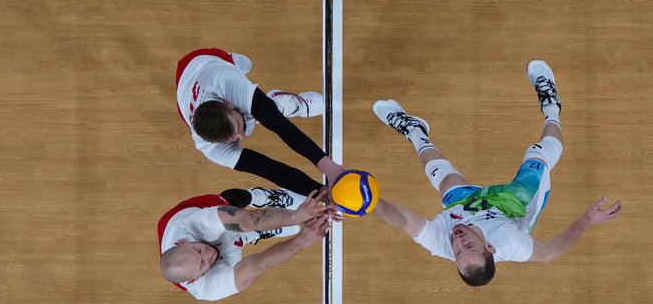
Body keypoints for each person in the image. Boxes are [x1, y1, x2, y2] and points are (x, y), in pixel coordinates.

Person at [372, 60, 621, 287]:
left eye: (457, 252)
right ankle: (551, 106)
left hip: (467, 206)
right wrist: (587, 221)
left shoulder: (441, 242)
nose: (458, 242)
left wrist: (369, 201)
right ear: (489, 246)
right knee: (540, 154)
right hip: (512, 206)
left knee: (445, 179)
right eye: (468, 245)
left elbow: (403, 220)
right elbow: (549, 254)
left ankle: (415, 131)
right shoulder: (512, 242)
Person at [176, 48, 345, 197]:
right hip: (184, 91)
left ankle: (287, 102)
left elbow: (281, 127)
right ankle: (260, 108)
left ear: (227, 103)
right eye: (233, 139)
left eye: (238, 128)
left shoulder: (227, 82)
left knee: (271, 109)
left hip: (206, 60)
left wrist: (327, 165)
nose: (242, 136)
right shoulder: (209, 147)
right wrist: (319, 192)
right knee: (257, 115)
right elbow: (268, 169)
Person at [158, 187, 334, 299]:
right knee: (238, 240)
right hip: (221, 252)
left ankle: (260, 196)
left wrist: (295, 217)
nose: (208, 253)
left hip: (186, 215)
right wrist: (303, 240)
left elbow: (247, 220)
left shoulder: (189, 225)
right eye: (203, 263)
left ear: (182, 242)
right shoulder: (206, 288)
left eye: (198, 250)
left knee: (233, 201)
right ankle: (250, 236)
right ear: (195, 278)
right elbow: (260, 263)